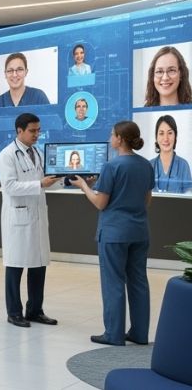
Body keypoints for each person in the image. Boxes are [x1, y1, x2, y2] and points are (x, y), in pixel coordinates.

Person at [70, 120, 153, 346]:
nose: (109, 138)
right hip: (139, 231)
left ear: (120, 139)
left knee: (114, 282)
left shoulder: (111, 166)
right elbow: (146, 200)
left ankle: (114, 334)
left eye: (111, 134)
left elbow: (100, 202)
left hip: (114, 233)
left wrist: (85, 187)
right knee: (138, 282)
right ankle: (139, 333)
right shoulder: (146, 165)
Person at [0, 112, 61, 328]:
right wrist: (39, 185)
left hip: (37, 217)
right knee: (15, 266)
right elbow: (10, 187)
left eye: (38, 130)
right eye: (32, 131)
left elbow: (49, 181)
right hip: (19, 218)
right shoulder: (7, 155)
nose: (36, 135)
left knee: (38, 265)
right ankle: (14, 312)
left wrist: (70, 180)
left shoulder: (38, 153)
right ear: (19, 131)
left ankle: (35, 310)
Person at [151, 115, 192, 193]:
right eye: (161, 133)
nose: (166, 138)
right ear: (156, 137)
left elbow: (188, 195)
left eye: (170, 133)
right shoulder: (149, 166)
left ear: (175, 136)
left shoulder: (183, 165)